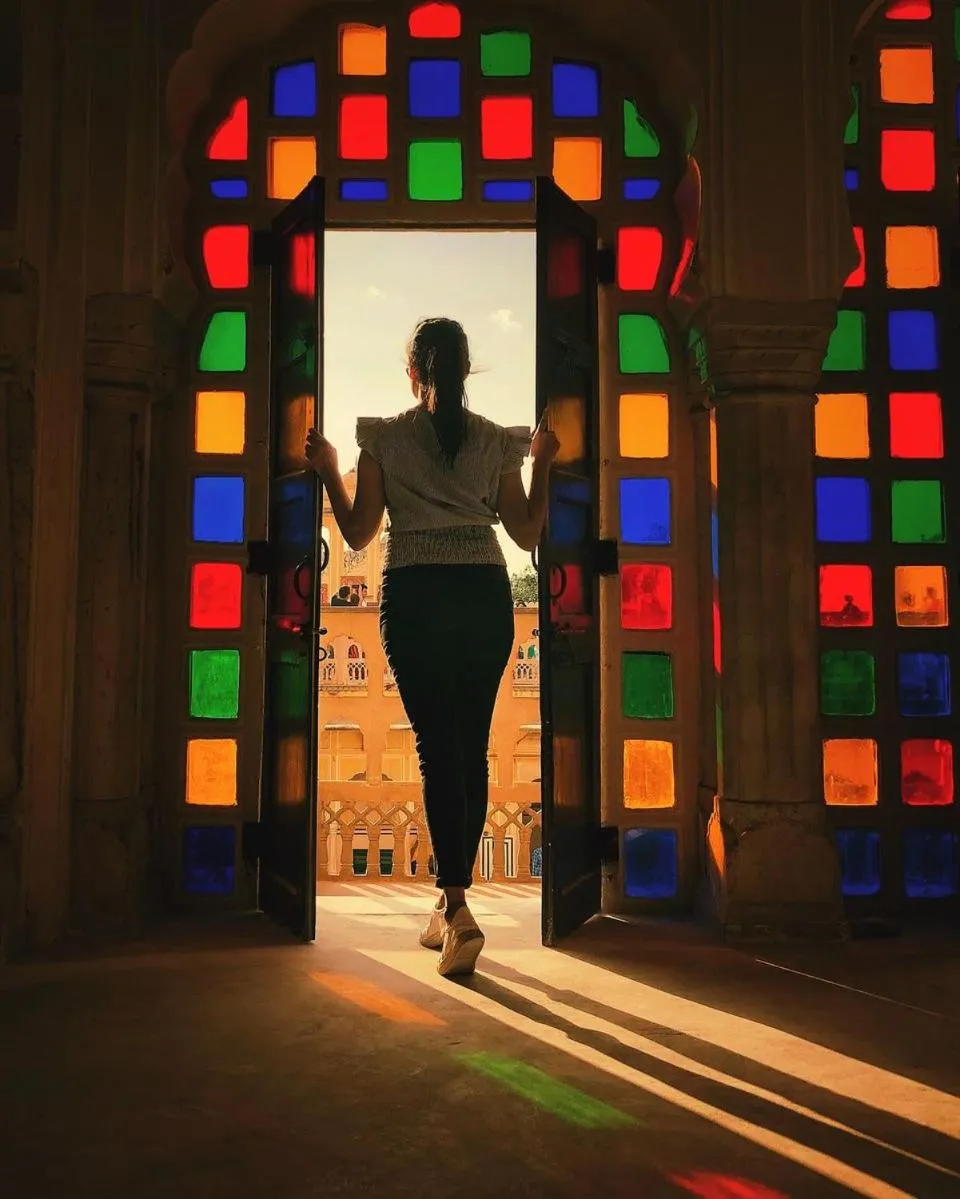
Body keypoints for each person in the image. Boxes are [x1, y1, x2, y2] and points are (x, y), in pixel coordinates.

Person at [305, 316, 558, 978]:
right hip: (481, 596)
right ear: (466, 371)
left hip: (416, 595)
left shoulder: (386, 439)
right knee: (468, 746)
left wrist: (330, 470)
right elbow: (529, 533)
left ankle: (455, 906)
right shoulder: (492, 442)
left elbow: (357, 533)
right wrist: (547, 464)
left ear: (414, 374)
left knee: (433, 749)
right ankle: (451, 906)